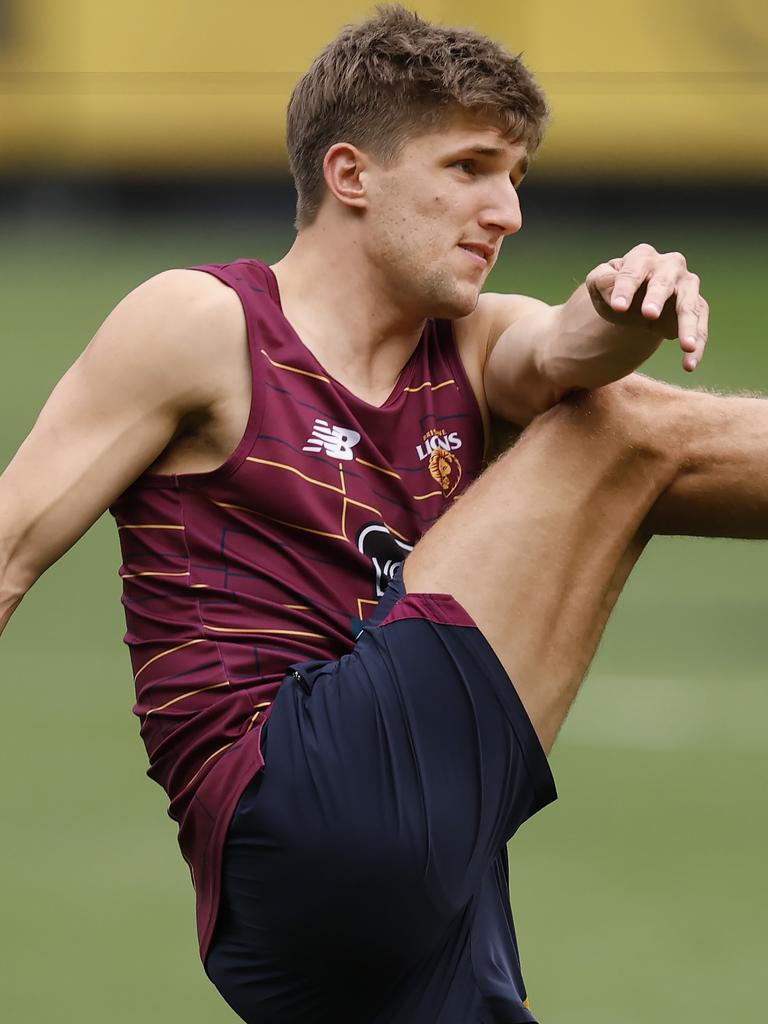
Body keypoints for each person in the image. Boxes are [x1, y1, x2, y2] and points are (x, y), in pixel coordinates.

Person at [0, 6, 765, 1022]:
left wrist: (619, 306)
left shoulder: (478, 341)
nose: (507, 212)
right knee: (620, 431)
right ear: (352, 175)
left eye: (518, 178)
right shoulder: (205, 323)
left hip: (404, 891)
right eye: (470, 168)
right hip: (290, 795)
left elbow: (565, 352)